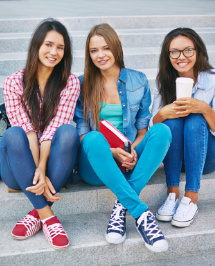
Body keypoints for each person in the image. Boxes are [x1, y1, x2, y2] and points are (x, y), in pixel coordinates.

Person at [73, 23, 172, 253]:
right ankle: (140, 214)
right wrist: (112, 152)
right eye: (93, 50)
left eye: (105, 48)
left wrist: (133, 151)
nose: (100, 55)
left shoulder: (138, 81)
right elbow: (82, 135)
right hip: (97, 165)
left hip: (129, 159)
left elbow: (141, 132)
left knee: (162, 131)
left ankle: (121, 205)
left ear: (116, 48)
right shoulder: (82, 83)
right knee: (94, 138)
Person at [0, 18, 80, 249]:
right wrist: (37, 171)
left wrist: (43, 169)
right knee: (14, 134)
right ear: (36, 46)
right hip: (18, 170)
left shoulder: (70, 83)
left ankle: (34, 215)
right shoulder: (14, 82)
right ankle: (47, 216)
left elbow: (52, 131)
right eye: (48, 44)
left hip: (52, 167)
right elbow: (29, 132)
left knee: (67, 132)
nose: (54, 52)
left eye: (60, 47)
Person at [150, 27, 215, 227]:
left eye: (188, 50)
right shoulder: (164, 81)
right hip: (177, 157)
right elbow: (153, 129)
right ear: (168, 56)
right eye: (174, 52)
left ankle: (191, 197)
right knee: (173, 118)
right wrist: (163, 114)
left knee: (196, 119)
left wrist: (203, 108)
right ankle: (172, 195)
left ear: (198, 51)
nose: (181, 56)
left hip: (210, 155)